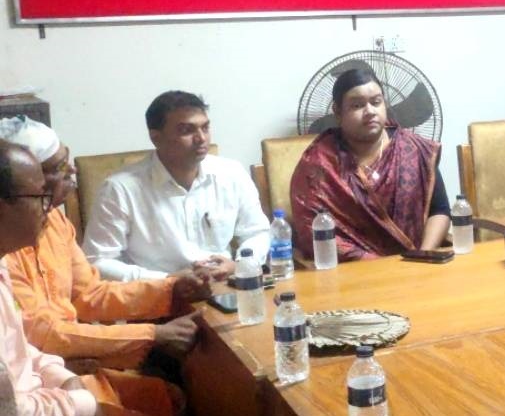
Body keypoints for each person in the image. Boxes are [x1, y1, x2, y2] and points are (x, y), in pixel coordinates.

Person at [2, 121, 201, 416]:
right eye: (57, 168)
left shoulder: (55, 222)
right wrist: (152, 335)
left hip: (56, 370)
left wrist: (172, 288)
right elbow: (43, 336)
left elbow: (88, 293)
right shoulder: (9, 250)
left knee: (169, 397)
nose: (71, 171)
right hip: (47, 383)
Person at [83, 91, 270, 281]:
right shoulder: (120, 189)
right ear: (156, 137)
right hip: (156, 293)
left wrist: (240, 265)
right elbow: (98, 261)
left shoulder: (231, 173)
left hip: (225, 285)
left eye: (205, 128)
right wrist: (168, 281)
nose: (201, 138)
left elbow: (257, 232)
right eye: (187, 130)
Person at [290, 68, 451, 261]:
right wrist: (377, 266)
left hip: (417, 265)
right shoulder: (319, 164)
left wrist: (423, 255)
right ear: (338, 112)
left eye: (376, 102)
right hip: (352, 271)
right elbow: (310, 229)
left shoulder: (415, 150)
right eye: (357, 105)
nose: (370, 112)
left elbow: (439, 210)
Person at [0, 141, 98, 416]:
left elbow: (16, 348)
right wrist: (83, 404)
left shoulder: (2, 259)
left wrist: (61, 376)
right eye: (39, 197)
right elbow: (10, 410)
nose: (48, 207)